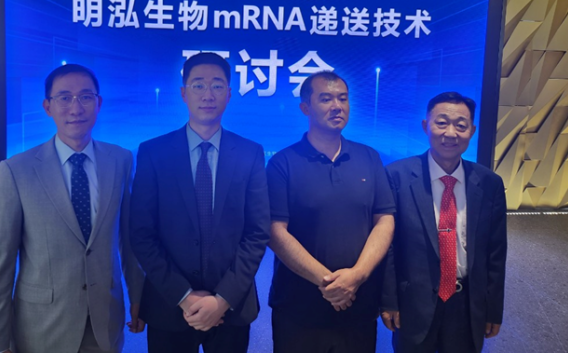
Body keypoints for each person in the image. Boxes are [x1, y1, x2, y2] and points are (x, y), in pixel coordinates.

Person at [0, 64, 144, 353]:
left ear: (98, 103)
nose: (76, 108)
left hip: (105, 322)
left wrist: (139, 298)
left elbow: (129, 242)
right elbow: (0, 265)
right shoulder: (17, 171)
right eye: (65, 98)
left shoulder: (120, 161)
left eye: (86, 97)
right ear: (48, 107)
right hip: (42, 328)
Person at [130, 52, 270, 353]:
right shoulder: (153, 153)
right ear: (184, 93)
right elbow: (141, 233)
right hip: (169, 306)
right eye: (198, 85)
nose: (208, 95)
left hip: (231, 308)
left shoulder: (250, 153)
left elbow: (257, 233)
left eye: (217, 86)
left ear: (229, 94)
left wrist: (222, 300)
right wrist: (184, 296)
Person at [267, 71, 395, 353]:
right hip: (298, 308)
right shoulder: (282, 163)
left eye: (343, 98)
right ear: (305, 108)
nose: (337, 106)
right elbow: (275, 233)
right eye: (326, 99)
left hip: (358, 304)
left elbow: (384, 220)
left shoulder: (369, 158)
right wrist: (330, 284)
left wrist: (357, 276)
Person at [381, 92, 507, 353]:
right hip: (413, 302)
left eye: (460, 125)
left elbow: (496, 253)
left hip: (467, 304)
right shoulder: (396, 176)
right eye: (441, 123)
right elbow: (388, 246)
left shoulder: (489, 183)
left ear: (472, 131)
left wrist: (493, 308)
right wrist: (389, 300)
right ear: (426, 126)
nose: (450, 133)